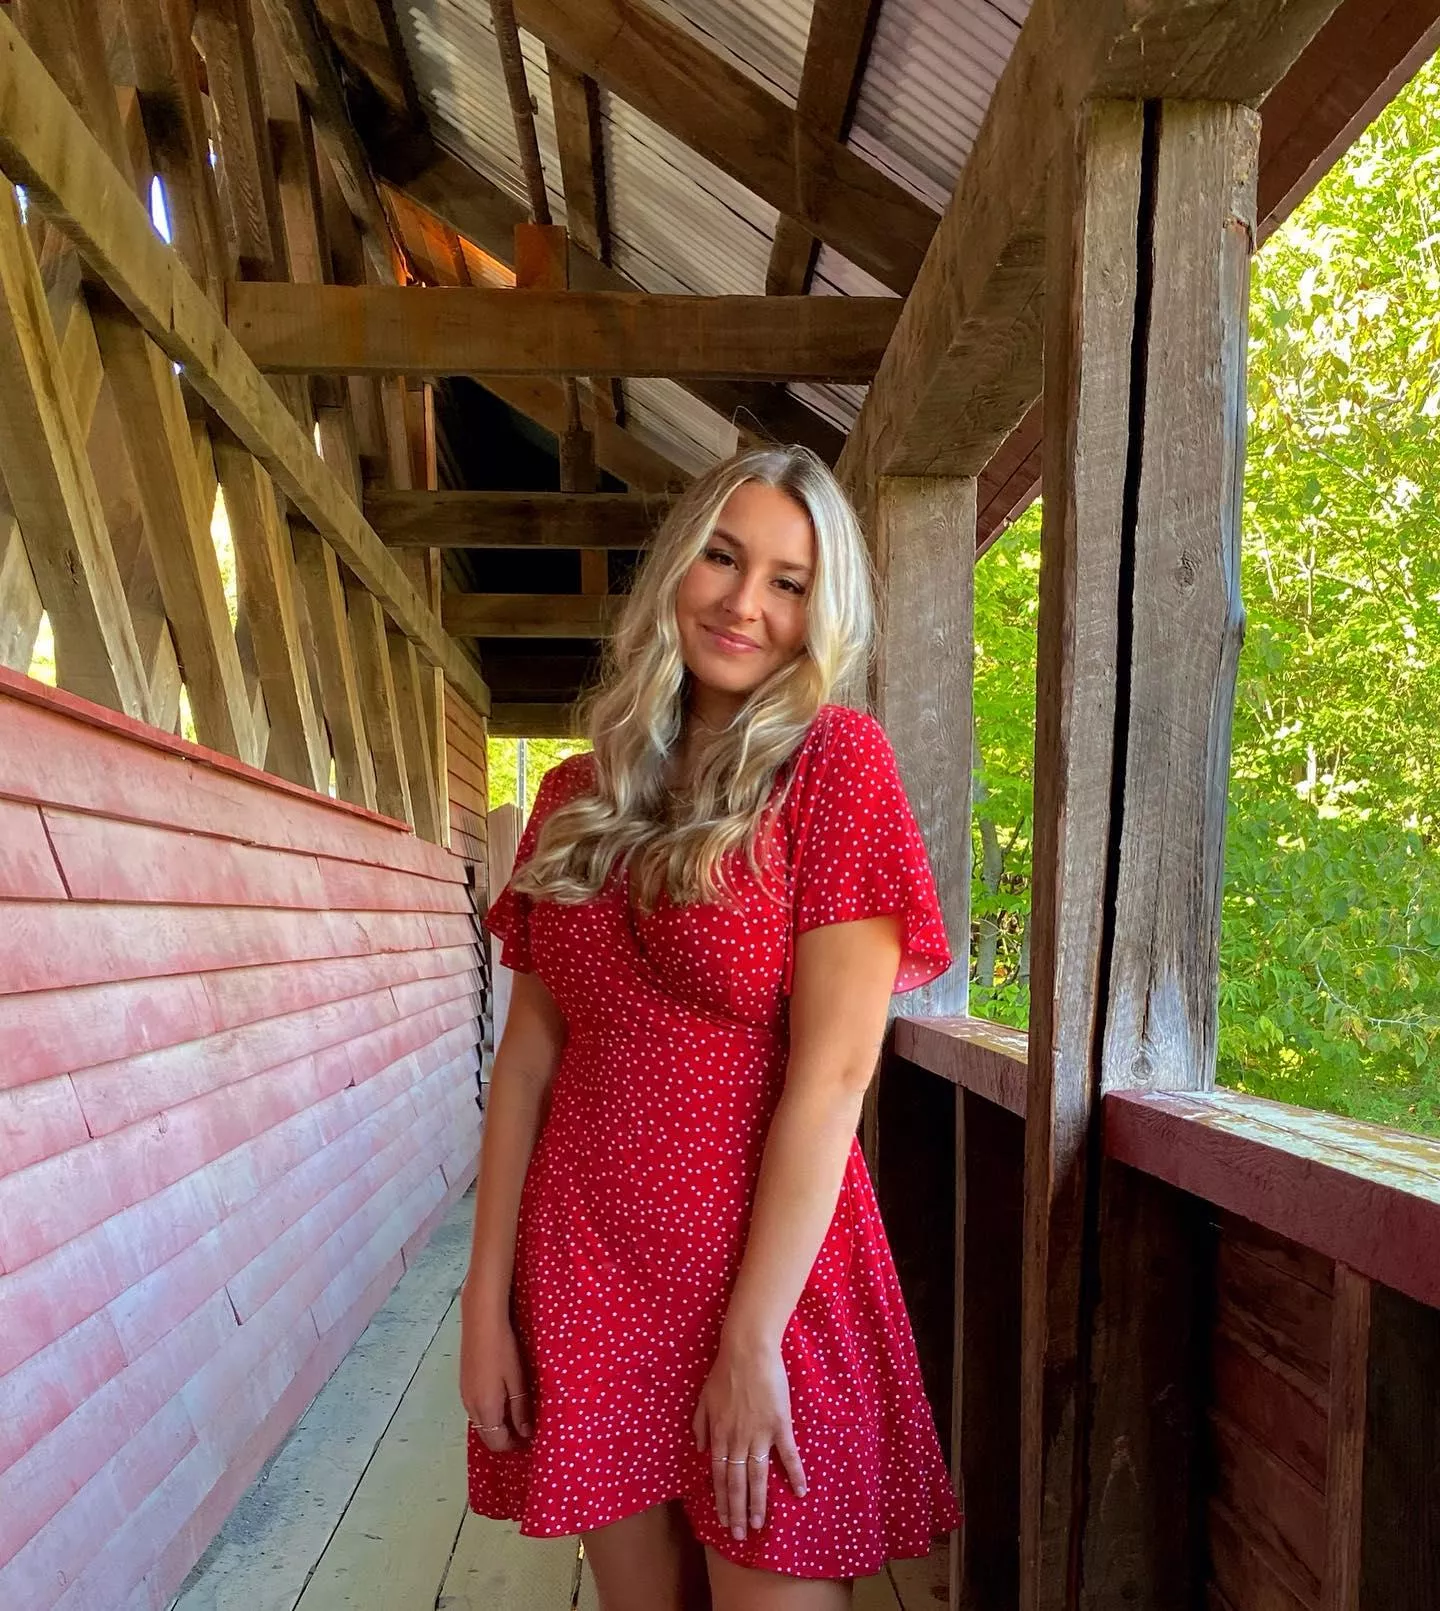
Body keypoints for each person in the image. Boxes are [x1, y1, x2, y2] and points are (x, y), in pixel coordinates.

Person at [459, 444, 964, 1609]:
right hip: (587, 1261)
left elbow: (836, 1079)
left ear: (818, 611)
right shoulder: (573, 795)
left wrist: (752, 1341)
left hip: (768, 1277)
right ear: (676, 568)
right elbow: (528, 1061)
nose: (744, 602)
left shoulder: (837, 766)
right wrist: (487, 1298)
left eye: (789, 581)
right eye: (723, 558)